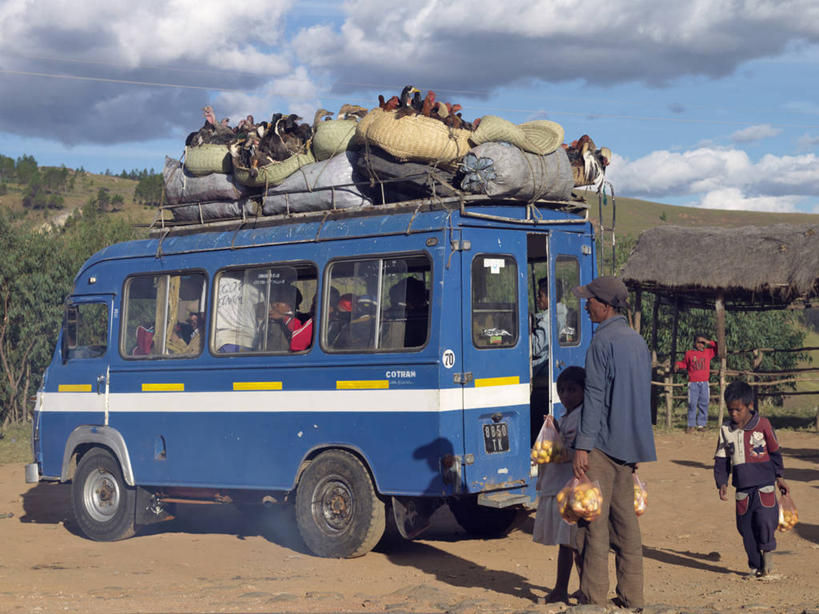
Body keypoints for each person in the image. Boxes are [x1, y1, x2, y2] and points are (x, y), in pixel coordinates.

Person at [571, 276, 656, 609]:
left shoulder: (601, 343)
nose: (586, 304)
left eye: (590, 300)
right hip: (629, 445)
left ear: (604, 306)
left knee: (593, 523)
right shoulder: (636, 341)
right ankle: (632, 597)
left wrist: (582, 445)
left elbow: (594, 397)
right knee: (626, 525)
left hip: (602, 445)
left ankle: (593, 598)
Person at [714, 380, 789, 578]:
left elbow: (775, 452)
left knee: (765, 521)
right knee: (745, 528)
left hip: (765, 484)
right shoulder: (725, 431)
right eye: (730, 410)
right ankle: (755, 566)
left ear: (750, 406)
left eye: (738, 410)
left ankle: (768, 560)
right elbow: (721, 460)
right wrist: (722, 482)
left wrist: (779, 476)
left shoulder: (763, 425)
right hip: (742, 489)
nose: (734, 414)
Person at [532, 366, 585, 604]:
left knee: (570, 543)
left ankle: (562, 589)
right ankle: (581, 588)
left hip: (571, 487)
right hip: (561, 485)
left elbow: (575, 451)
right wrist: (553, 428)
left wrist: (558, 441)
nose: (566, 395)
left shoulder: (583, 417)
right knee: (573, 543)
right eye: (562, 390)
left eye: (572, 390)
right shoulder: (566, 416)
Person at [675, 333, 718, 433]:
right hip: (693, 383)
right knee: (692, 404)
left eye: (703, 343)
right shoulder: (689, 353)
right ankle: (691, 425)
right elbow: (684, 364)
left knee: (704, 403)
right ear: (694, 343)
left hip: (704, 383)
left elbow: (718, 346)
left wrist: (708, 341)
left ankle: (701, 425)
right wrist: (677, 364)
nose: (701, 345)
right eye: (698, 342)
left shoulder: (708, 352)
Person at [530, 277, 551, 443]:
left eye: (541, 296)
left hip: (541, 377)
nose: (538, 299)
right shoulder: (561, 313)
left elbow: (536, 347)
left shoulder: (548, 319)